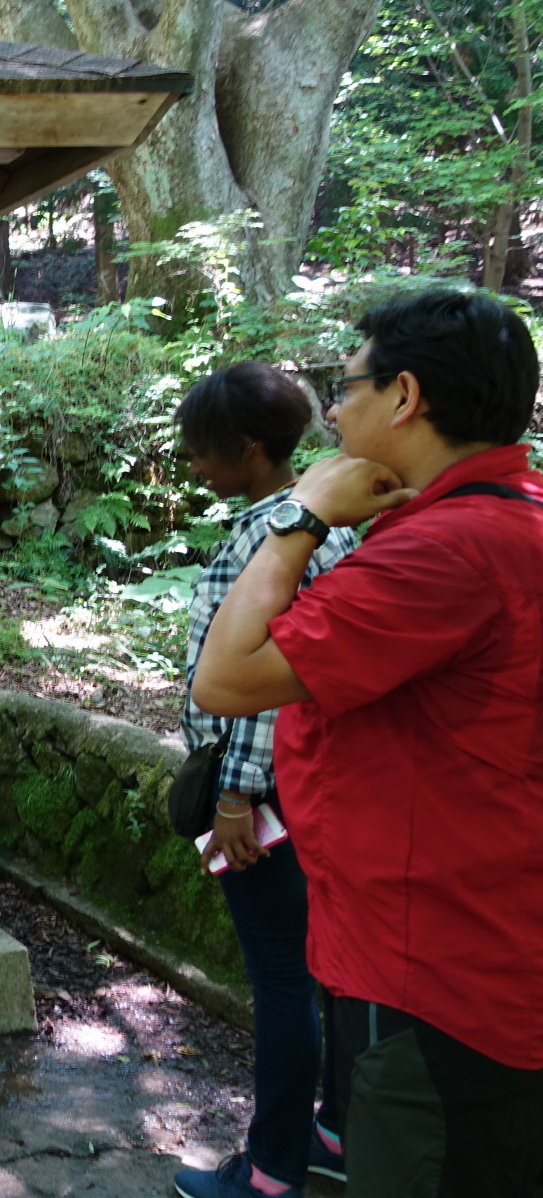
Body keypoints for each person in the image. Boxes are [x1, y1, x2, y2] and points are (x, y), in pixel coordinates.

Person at [193, 291, 543, 1198]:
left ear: (405, 396)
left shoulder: (447, 551)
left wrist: (302, 514)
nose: (335, 410)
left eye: (345, 386)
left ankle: (277, 1166)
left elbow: (227, 679)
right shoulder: (502, 520)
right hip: (452, 947)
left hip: (435, 974)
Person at [169, 364, 358, 1198]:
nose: (196, 467)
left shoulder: (271, 535)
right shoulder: (336, 528)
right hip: (315, 789)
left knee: (282, 980)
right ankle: (333, 1132)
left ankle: (273, 1170)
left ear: (250, 449)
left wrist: (239, 797)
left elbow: (256, 682)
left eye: (205, 452)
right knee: (333, 975)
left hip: (259, 798)